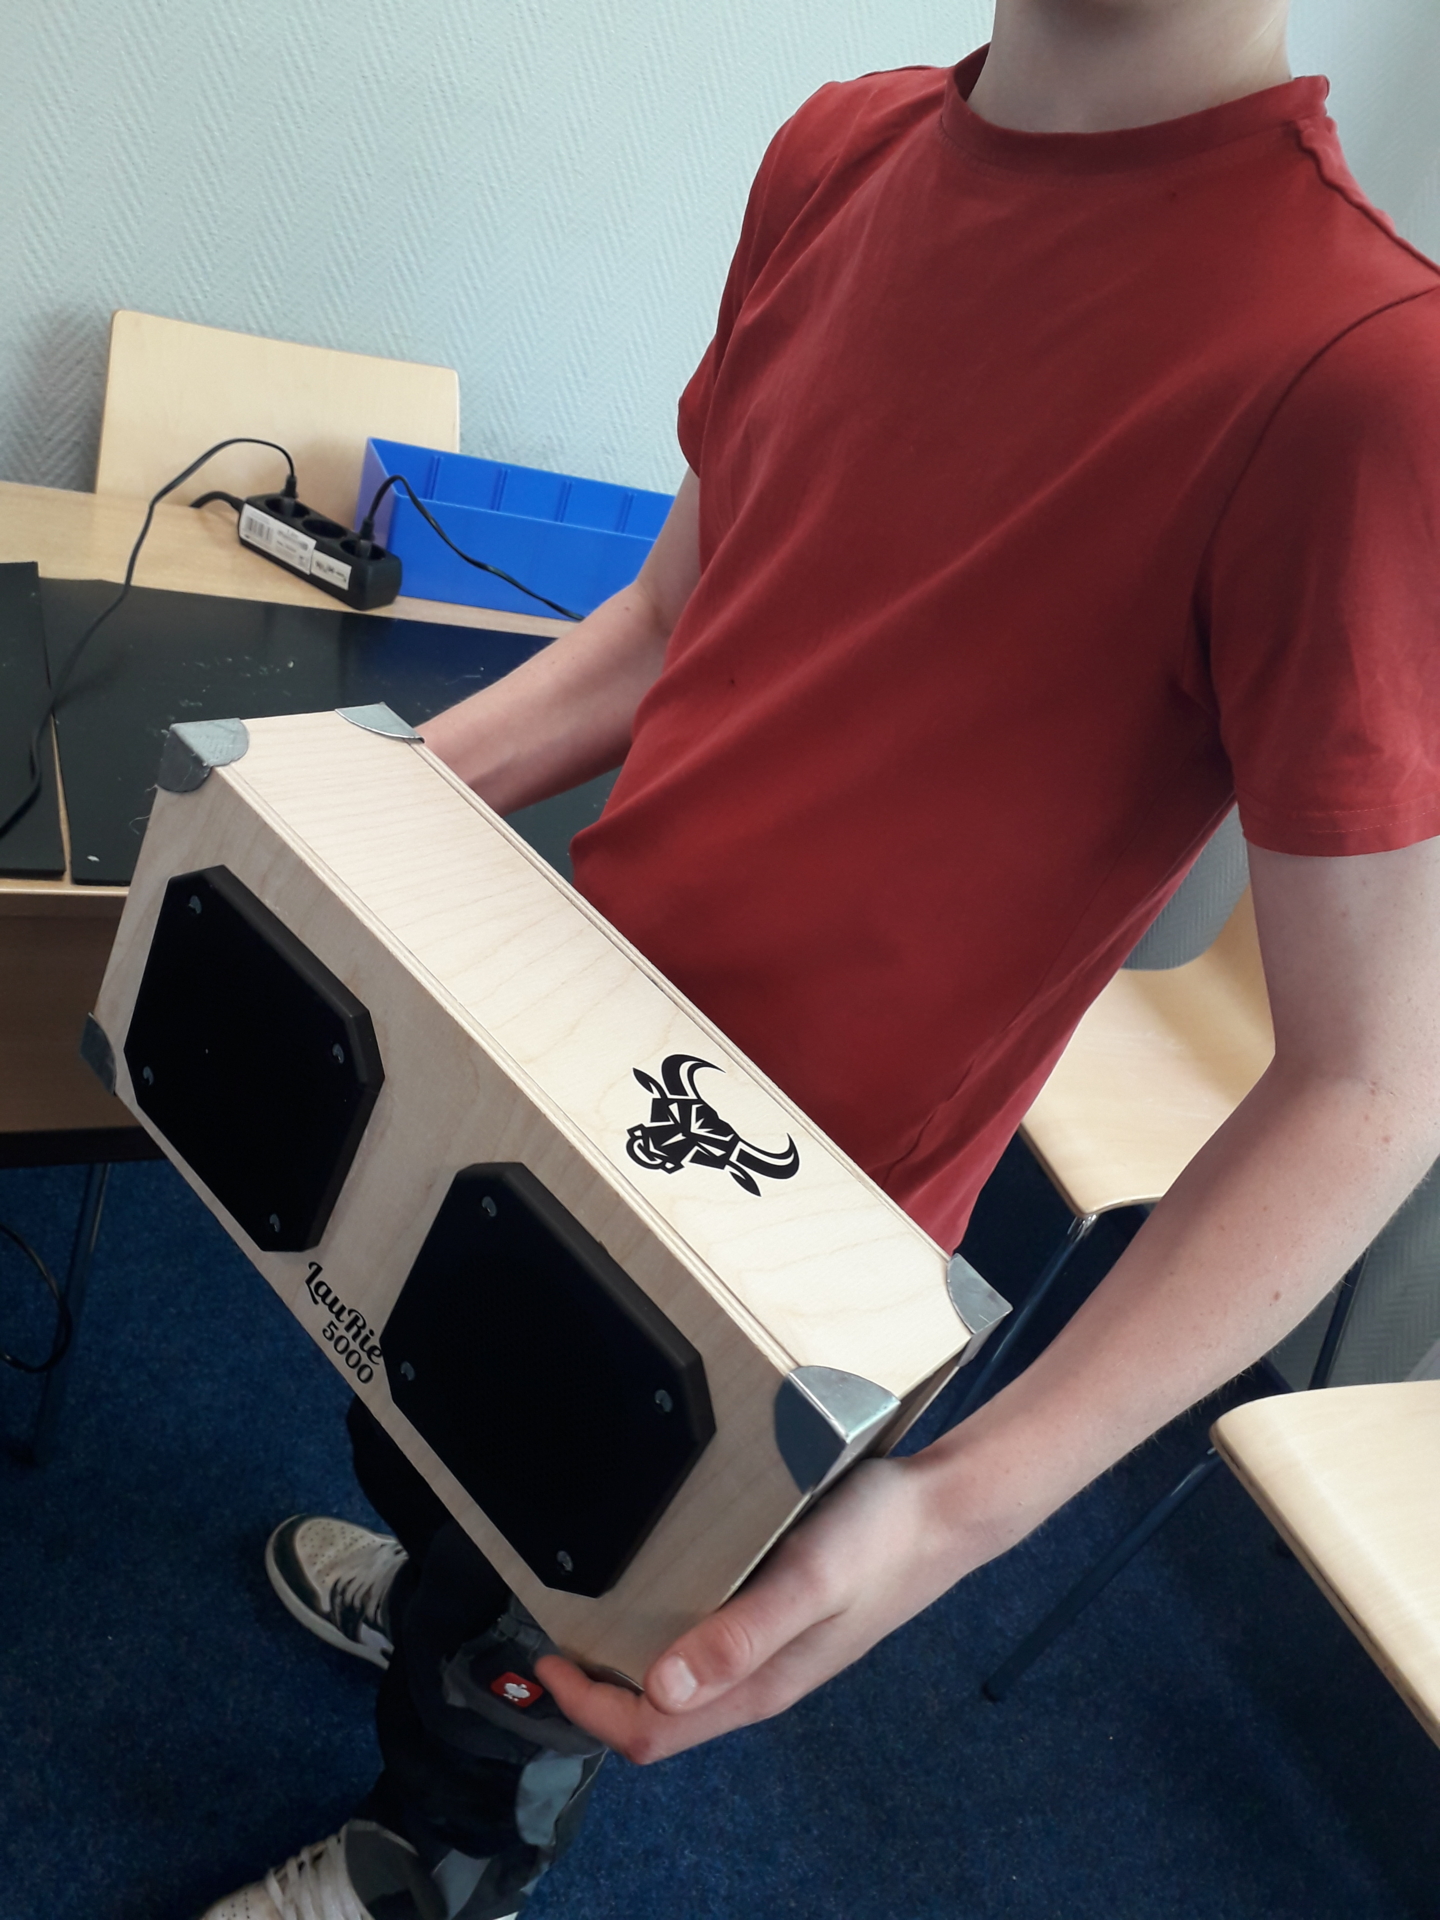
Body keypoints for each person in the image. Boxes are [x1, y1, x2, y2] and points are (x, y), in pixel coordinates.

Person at [202, 0, 1440, 1913]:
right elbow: (660, 624)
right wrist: (333, 819)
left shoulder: (1366, 375)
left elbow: (1373, 1081)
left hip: (770, 1228)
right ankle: (439, 1594)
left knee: (545, 1656)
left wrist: (948, 1517)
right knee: (417, 1424)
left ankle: (431, 1861)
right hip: (553, 1016)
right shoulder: (841, 153)